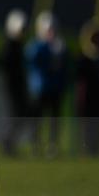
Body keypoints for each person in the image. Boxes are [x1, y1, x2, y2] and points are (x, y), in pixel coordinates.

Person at [25, 11, 68, 157]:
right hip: (40, 89)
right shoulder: (36, 45)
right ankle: (35, 145)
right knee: (37, 119)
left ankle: (52, 145)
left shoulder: (59, 46)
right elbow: (31, 61)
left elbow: (65, 69)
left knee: (54, 120)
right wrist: (46, 47)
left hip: (55, 89)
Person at [1, 9, 30, 156]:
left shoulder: (19, 46)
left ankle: (9, 143)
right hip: (14, 88)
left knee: (20, 115)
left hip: (19, 87)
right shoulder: (10, 47)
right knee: (16, 115)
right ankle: (7, 143)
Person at [75, 19, 99, 156]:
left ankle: (93, 149)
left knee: (96, 124)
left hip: (98, 98)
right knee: (86, 125)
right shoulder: (84, 59)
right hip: (87, 98)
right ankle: (85, 148)